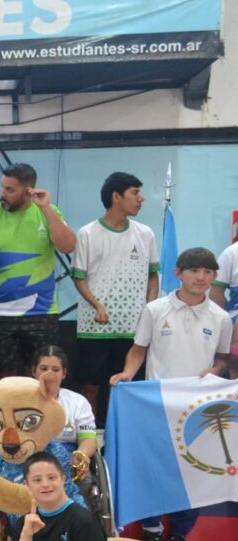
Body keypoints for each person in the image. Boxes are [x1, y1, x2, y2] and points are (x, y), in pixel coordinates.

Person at [110, 247, 232, 541]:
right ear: (178, 273)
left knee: (194, 470)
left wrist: (215, 369)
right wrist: (127, 373)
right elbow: (139, 349)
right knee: (156, 467)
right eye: (194, 271)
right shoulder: (155, 310)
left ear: (215, 276)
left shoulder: (220, 317)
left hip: (197, 407)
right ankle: (151, 532)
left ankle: (179, 535)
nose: (201, 277)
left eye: (207, 272)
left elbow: (223, 358)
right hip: (157, 404)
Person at [0, 163, 77, 379]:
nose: (2, 194)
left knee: (39, 379)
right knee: (3, 381)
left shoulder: (48, 212)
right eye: (2, 187)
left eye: (10, 190)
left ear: (28, 191)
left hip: (41, 312)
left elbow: (68, 246)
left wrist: (46, 208)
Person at [72, 172, 158, 418]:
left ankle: (118, 434)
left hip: (133, 326)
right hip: (94, 326)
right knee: (91, 386)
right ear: (116, 196)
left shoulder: (145, 234)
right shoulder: (88, 233)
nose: (141, 199)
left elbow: (153, 276)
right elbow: (78, 277)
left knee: (124, 386)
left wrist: (150, 310)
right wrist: (97, 305)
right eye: (135, 193)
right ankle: (89, 433)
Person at [32, 347, 98, 481]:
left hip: (67, 455)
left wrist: (81, 455)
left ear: (64, 373)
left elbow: (88, 439)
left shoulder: (78, 402)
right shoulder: (19, 399)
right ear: (33, 371)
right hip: (30, 455)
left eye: (55, 370)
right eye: (43, 369)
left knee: (84, 479)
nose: (49, 374)